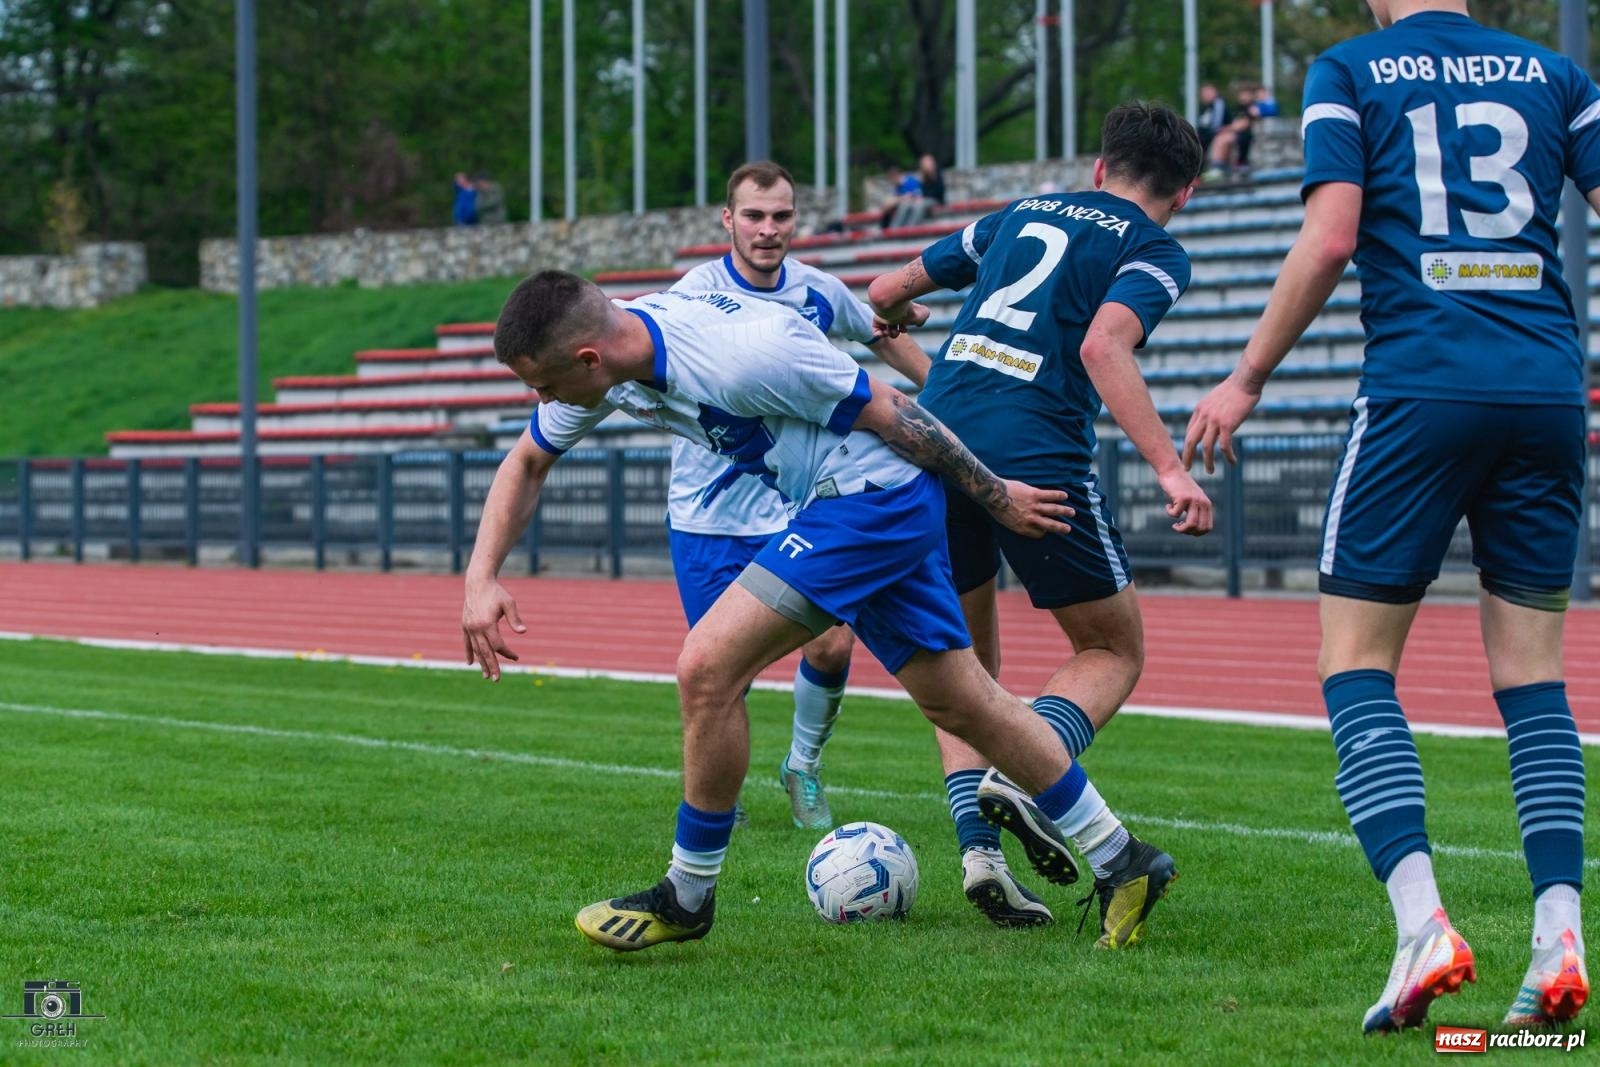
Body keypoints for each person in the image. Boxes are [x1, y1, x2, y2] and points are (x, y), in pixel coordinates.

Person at [463, 272, 1112, 954]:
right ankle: (1125, 858)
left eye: (543, 385)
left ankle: (688, 892)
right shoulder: (619, 355)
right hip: (849, 499)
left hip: (869, 498)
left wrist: (996, 497)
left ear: (587, 360)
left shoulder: (742, 351)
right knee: (963, 702)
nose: (542, 401)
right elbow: (528, 460)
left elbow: (895, 410)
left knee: (706, 667)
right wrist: (481, 576)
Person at [1183, 0, 1596, 1033]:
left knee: (1355, 661)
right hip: (1547, 391)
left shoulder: (1351, 66)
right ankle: (1558, 934)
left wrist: (1243, 376)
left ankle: (1422, 924)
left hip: (1422, 385)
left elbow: (1328, 239)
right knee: (1533, 677)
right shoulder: (1552, 73)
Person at [868, 102, 1213, 944]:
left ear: (1101, 167)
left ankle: (979, 854)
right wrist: (1171, 468)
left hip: (938, 445)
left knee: (966, 670)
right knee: (1110, 648)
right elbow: (1103, 348)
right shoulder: (1154, 248)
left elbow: (881, 296)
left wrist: (910, 334)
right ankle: (1031, 775)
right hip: (1037, 455)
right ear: (1188, 190)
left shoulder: (1019, 213)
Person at [667, 160, 931, 834]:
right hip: (708, 519)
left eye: (781, 215)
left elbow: (879, 330)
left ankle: (803, 766)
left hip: (794, 505)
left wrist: (946, 386)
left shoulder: (817, 291)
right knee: (725, 673)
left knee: (833, 645)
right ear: (727, 219)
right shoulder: (689, 296)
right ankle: (715, 794)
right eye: (753, 215)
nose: (768, 228)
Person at [880, 164, 926, 230]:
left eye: (892, 179)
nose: (891, 182)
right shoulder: (896, 187)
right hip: (903, 207)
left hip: (914, 206)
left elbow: (918, 196)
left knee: (905, 204)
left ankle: (899, 228)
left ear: (896, 176)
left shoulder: (910, 181)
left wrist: (901, 198)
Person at [1196, 83, 1229, 157]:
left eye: (1208, 92)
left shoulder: (1219, 105)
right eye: (1203, 93)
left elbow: (1215, 125)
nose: (1205, 95)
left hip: (1215, 134)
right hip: (1205, 134)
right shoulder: (1205, 108)